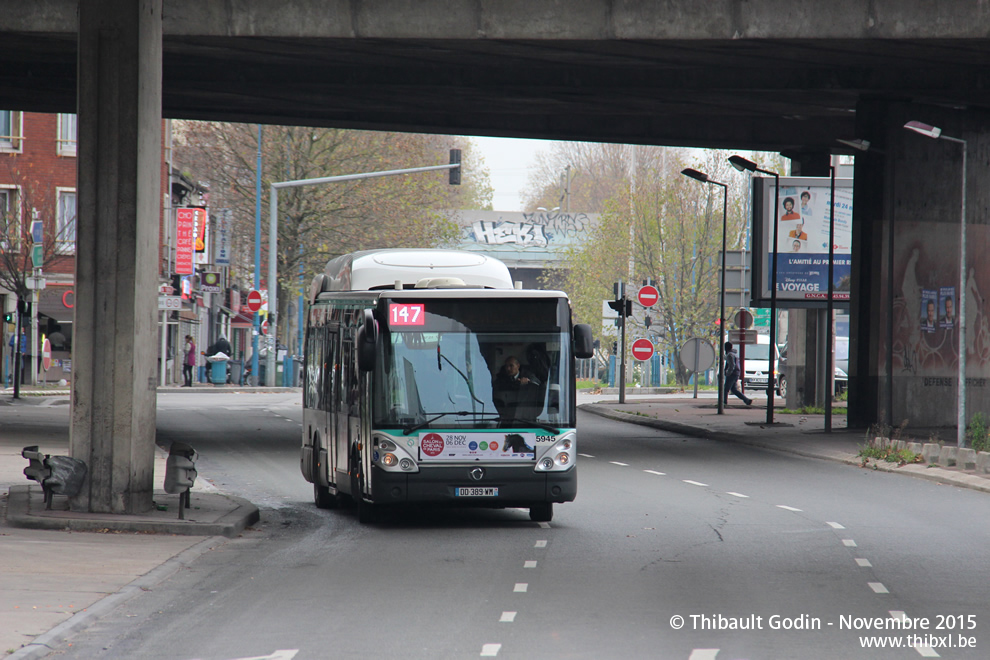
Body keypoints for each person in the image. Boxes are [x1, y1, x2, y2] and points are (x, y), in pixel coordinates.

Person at [723, 341, 752, 406]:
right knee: (734, 390)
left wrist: (728, 373)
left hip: (732, 374)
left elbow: (732, 365)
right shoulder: (734, 354)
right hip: (736, 373)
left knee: (726, 389)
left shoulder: (730, 355)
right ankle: (746, 400)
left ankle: (724, 402)